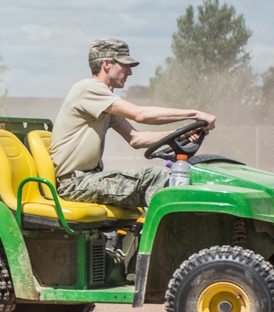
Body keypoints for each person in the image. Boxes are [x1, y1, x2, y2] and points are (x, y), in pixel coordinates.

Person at [49, 38, 216, 210]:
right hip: (74, 184)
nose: (130, 72)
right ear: (106, 64)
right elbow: (140, 115)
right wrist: (194, 114)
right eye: (125, 65)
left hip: (88, 180)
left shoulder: (105, 101)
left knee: (169, 175)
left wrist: (183, 133)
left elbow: (136, 139)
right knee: (155, 177)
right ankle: (170, 233)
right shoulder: (89, 88)